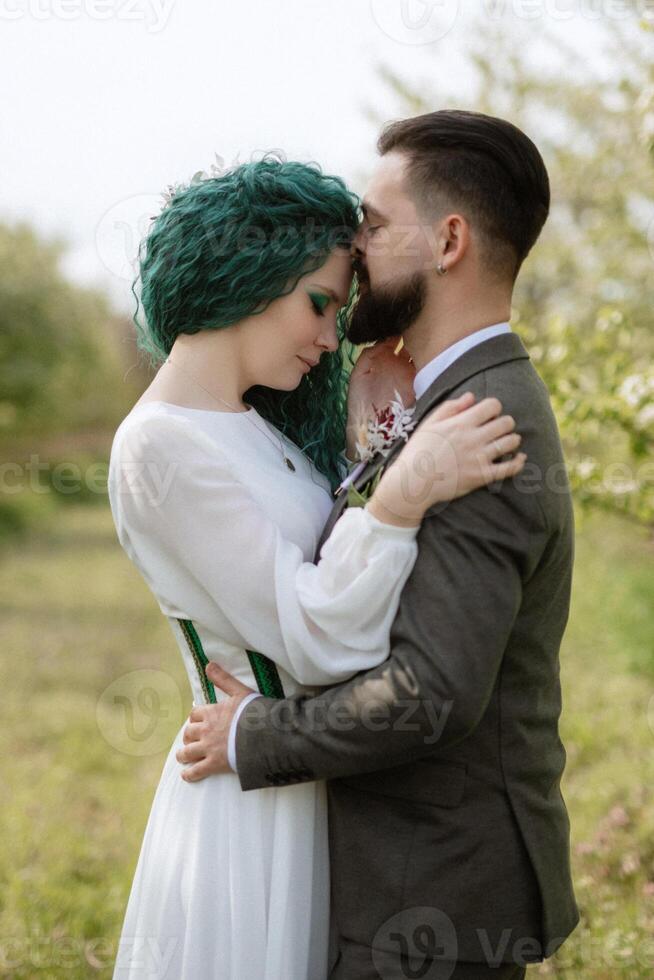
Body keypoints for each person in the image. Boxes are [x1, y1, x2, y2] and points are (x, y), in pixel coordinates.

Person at [180, 112, 580, 980]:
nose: (355, 247)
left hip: (429, 890)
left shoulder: (485, 424)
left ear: (447, 241)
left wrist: (256, 737)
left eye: (373, 221)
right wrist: (377, 435)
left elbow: (432, 691)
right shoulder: (438, 402)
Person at [107, 154, 524, 980]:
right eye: (321, 304)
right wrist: (399, 498)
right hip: (251, 806)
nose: (333, 336)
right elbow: (318, 643)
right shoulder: (160, 445)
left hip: (301, 780)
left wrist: (368, 445)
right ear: (248, 275)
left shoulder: (244, 425)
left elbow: (322, 555)